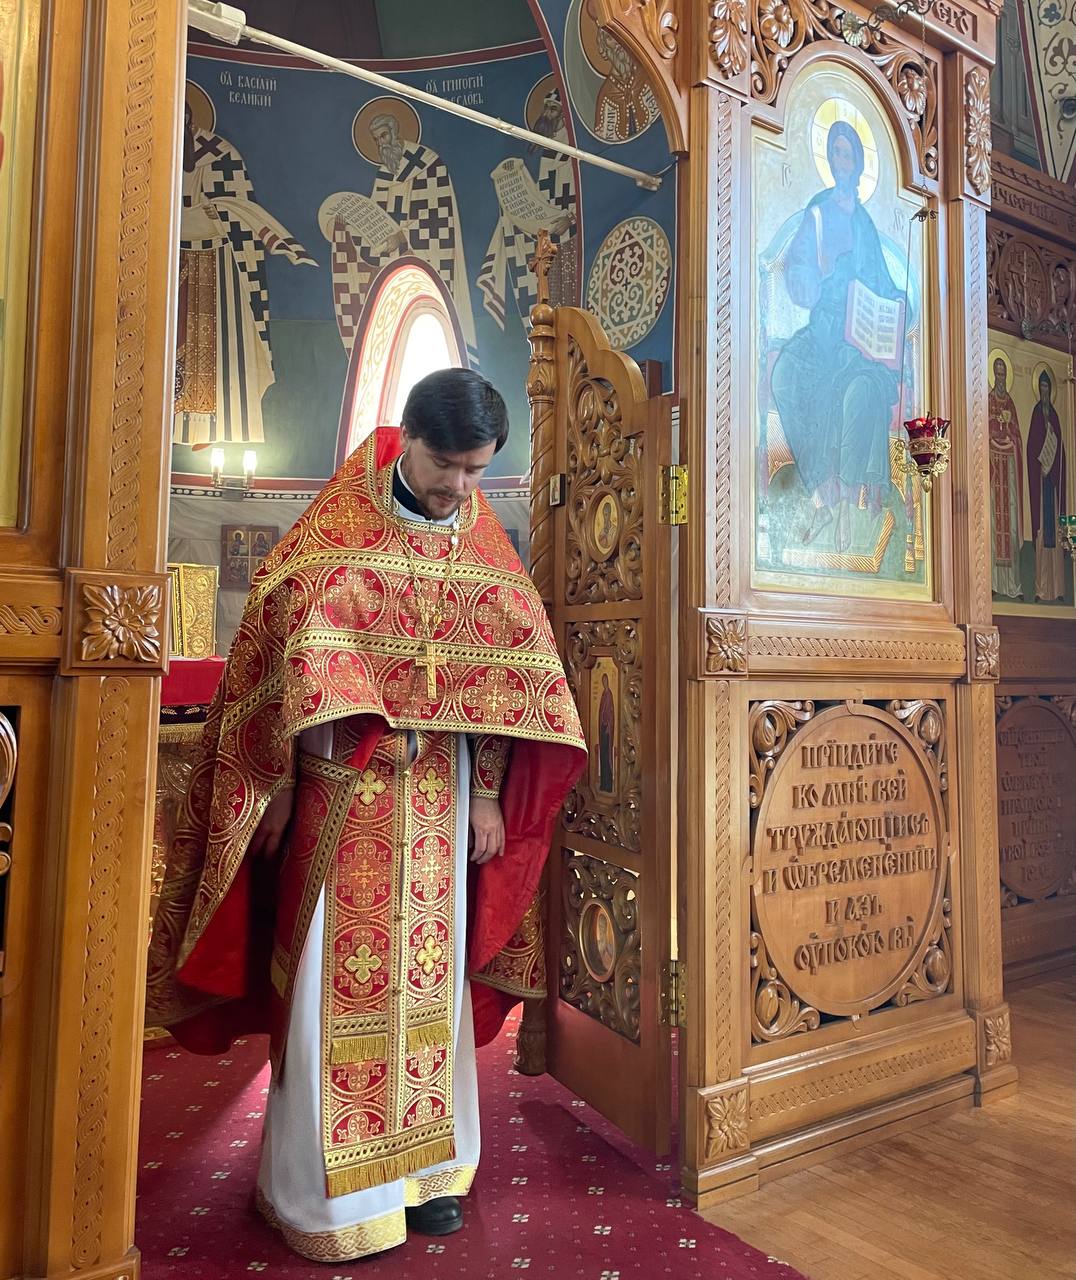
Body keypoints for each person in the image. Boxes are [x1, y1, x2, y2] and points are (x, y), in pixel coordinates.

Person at [147, 370, 586, 1262]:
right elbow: (271, 663)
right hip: (341, 802)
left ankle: (432, 1177)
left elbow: (509, 683)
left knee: (432, 983)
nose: (458, 487)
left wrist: (488, 789)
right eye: (445, 464)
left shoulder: (481, 549)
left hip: (439, 805)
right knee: (328, 988)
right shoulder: (333, 539)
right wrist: (271, 783)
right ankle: (330, 1198)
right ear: (407, 438)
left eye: (476, 471)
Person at [769, 120, 906, 554]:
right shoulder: (817, 210)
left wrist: (896, 303)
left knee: (857, 394)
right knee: (785, 375)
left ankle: (848, 503)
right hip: (822, 331)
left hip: (856, 344)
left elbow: (883, 283)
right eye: (835, 154)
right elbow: (797, 269)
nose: (841, 163)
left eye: (848, 155)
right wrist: (815, 277)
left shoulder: (864, 224)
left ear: (858, 163)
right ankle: (819, 491)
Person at [174, 90, 315, 448]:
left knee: (213, 351)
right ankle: (173, 422)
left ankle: (211, 426)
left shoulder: (220, 154)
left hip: (214, 266)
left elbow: (238, 212)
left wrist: (203, 215)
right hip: (173, 266)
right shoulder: (156, 151)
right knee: (173, 344)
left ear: (190, 120)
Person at [1027, 367, 1068, 602]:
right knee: (1043, 534)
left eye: (1047, 386)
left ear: (1050, 389)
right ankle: (1041, 590)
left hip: (1052, 484)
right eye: (1041, 386)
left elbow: (1061, 451)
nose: (1044, 390)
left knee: (1056, 537)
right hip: (1041, 484)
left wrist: (1054, 444)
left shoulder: (1054, 415)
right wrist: (1039, 466)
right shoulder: (1036, 413)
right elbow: (1031, 446)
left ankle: (1059, 590)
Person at [988, 356, 1024, 599]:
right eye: (998, 373)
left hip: (1008, 465)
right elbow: (984, 429)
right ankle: (993, 583)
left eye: (1003, 374)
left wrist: (1010, 433)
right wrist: (996, 426)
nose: (1001, 378)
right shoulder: (989, 400)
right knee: (993, 521)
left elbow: (1017, 435)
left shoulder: (1009, 402)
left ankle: (1013, 585)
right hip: (994, 464)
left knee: (1009, 523)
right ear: (993, 375)